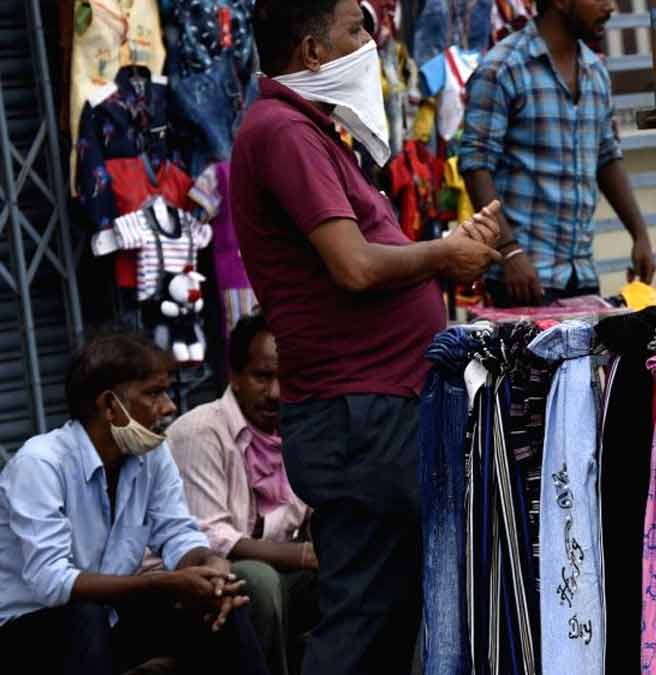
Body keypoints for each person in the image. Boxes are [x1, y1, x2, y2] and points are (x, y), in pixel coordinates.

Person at [232, 2, 504, 673]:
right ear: (313, 53)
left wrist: (448, 250)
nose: (371, 39)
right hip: (357, 413)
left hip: (377, 407)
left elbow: (369, 257)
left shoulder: (313, 132)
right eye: (356, 29)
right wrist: (443, 255)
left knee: (389, 615)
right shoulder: (284, 131)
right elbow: (354, 265)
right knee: (364, 619)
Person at [0, 332, 269, 675]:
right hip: (30, 635)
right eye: (155, 393)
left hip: (109, 621)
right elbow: (53, 582)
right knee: (86, 614)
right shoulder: (40, 465)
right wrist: (165, 582)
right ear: (110, 406)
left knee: (221, 603)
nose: (170, 406)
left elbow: (177, 535)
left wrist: (209, 565)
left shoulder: (150, 455)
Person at [459, 0, 656, 307]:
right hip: (522, 278)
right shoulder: (504, 67)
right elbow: (475, 165)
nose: (611, 7)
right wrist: (509, 251)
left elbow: (607, 157)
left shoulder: (595, 70)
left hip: (580, 274)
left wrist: (640, 234)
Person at [168, 313, 319, 675]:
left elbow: (311, 510)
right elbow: (212, 536)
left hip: (278, 569)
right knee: (259, 580)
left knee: (354, 572)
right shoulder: (201, 431)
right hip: (202, 577)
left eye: (285, 377)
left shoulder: (299, 428)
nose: (275, 393)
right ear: (234, 377)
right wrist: (300, 554)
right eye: (262, 377)